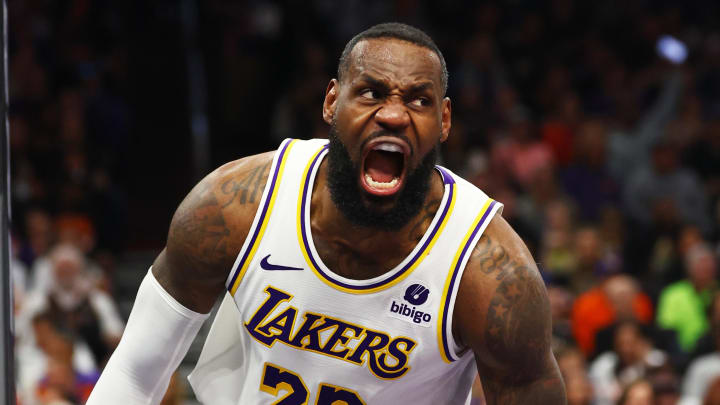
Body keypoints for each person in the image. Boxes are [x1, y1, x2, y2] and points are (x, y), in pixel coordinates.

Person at [87, 23, 565, 404]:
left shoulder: (490, 269)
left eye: (418, 99)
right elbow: (134, 372)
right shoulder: (237, 203)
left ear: (443, 121)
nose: (394, 115)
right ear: (332, 101)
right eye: (372, 92)